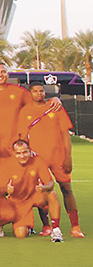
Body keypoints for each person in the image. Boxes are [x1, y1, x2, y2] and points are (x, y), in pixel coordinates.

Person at [18, 84, 80, 237]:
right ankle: (47, 226)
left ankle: (75, 226)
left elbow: (66, 135)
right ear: (30, 93)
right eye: (35, 91)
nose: (39, 93)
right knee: (42, 189)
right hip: (38, 158)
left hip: (58, 156)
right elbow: (23, 138)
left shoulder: (55, 107)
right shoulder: (25, 111)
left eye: (41, 91)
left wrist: (68, 157)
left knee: (66, 188)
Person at [0, 139, 60, 240]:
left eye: (24, 152)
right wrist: (6, 189)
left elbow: (50, 183)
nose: (22, 156)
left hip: (35, 195)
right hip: (18, 201)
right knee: (20, 235)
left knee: (51, 194)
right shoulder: (6, 165)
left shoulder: (38, 161)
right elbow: (0, 190)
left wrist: (44, 187)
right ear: (13, 153)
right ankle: (28, 227)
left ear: (30, 151)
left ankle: (56, 230)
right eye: (18, 153)